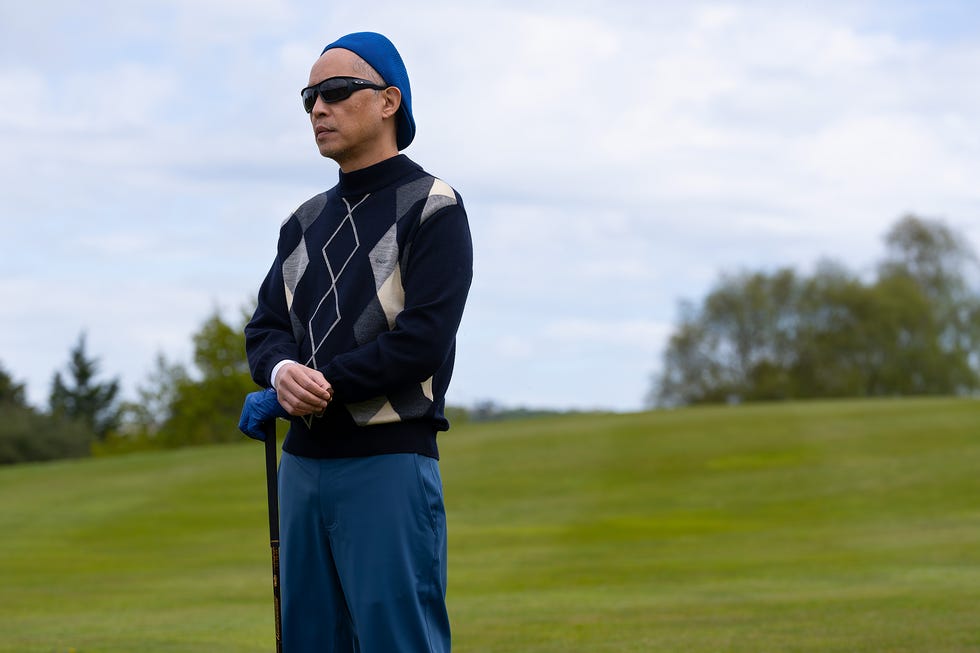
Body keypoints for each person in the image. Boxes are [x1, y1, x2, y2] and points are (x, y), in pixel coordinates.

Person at [242, 31, 472, 652]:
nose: (319, 108)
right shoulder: (303, 220)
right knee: (308, 641)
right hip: (302, 466)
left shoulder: (434, 207)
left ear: (389, 101)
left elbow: (422, 340)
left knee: (400, 641)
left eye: (337, 92)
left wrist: (319, 385)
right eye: (310, 97)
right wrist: (279, 370)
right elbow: (265, 328)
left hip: (389, 461)